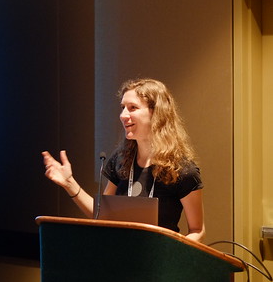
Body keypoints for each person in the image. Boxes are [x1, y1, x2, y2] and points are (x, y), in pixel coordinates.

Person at [42, 78, 205, 242]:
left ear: (156, 113)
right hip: (120, 258)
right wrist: (69, 183)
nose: (123, 115)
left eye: (132, 108)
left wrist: (169, 256)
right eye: (122, 108)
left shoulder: (182, 170)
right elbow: (102, 217)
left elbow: (197, 230)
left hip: (158, 263)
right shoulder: (120, 160)